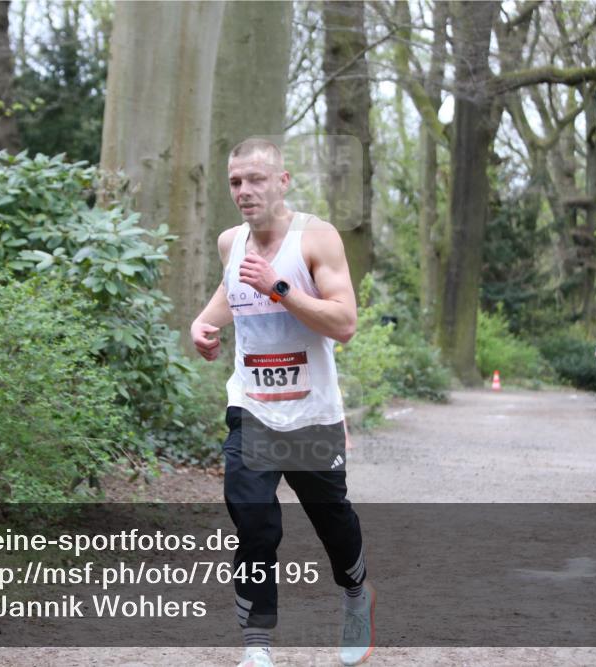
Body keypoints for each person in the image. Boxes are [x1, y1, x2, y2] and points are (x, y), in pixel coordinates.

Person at [190, 138, 375, 667]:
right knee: (253, 523)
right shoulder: (231, 243)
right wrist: (202, 326)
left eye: (255, 179)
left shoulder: (316, 239)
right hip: (251, 409)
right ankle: (257, 648)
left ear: (283, 181)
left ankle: (356, 595)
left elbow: (345, 325)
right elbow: (230, 292)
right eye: (235, 182)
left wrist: (282, 289)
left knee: (331, 519)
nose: (244, 191)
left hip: (312, 413)